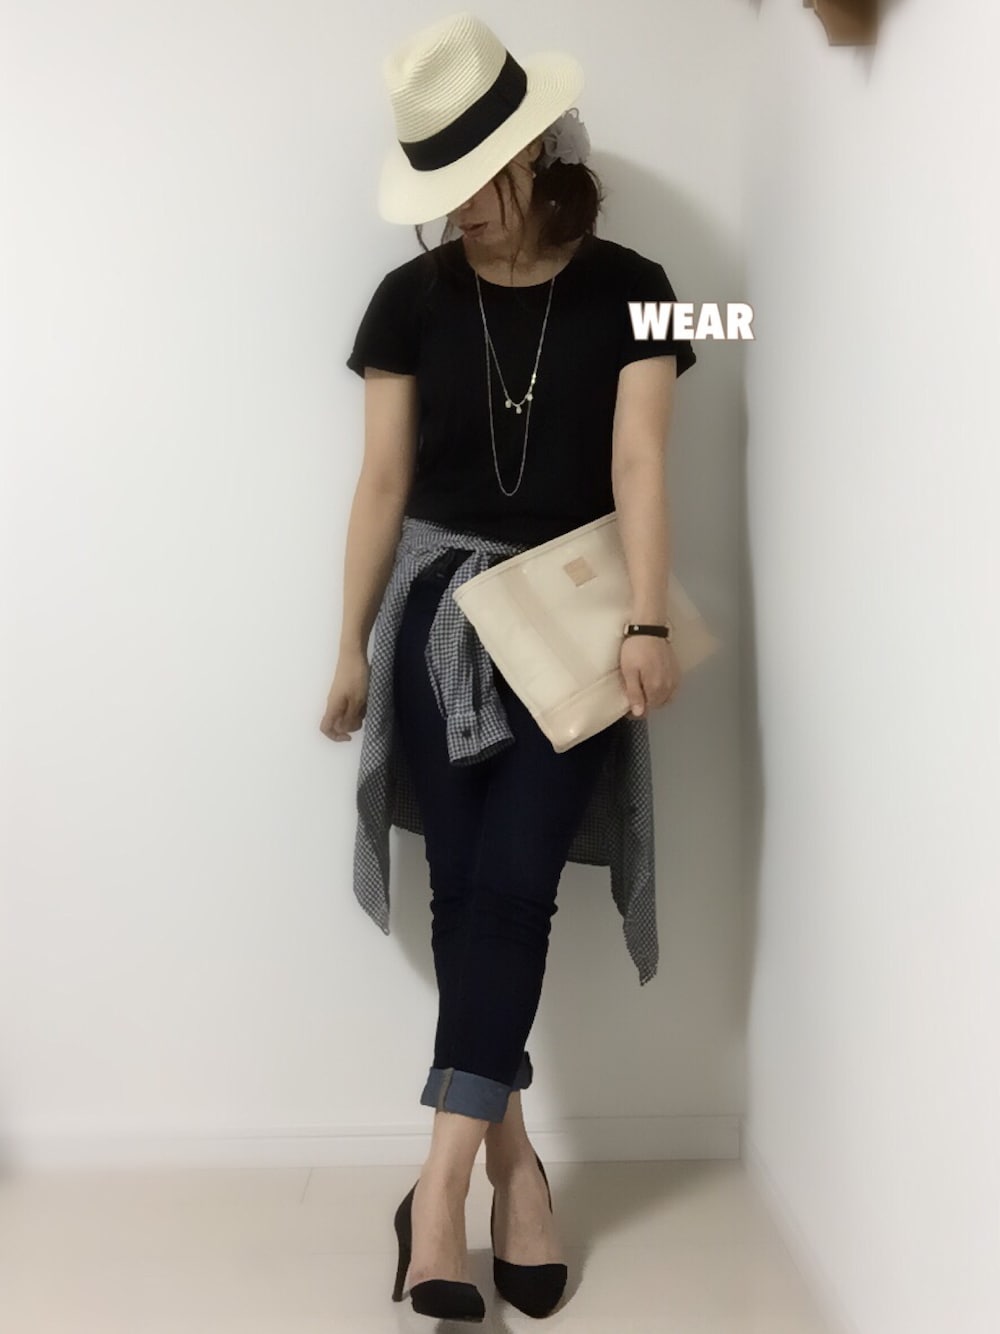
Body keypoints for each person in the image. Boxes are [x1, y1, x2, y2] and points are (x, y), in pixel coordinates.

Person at [319, 12, 697, 1323]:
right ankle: (514, 1168)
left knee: (517, 886)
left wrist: (647, 620)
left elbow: (642, 462)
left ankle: (436, 1198)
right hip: (434, 616)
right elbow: (380, 482)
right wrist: (349, 643)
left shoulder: (643, 287)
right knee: (467, 892)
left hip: (575, 624)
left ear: (535, 151)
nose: (461, 210)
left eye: (478, 177)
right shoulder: (409, 301)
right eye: (441, 187)